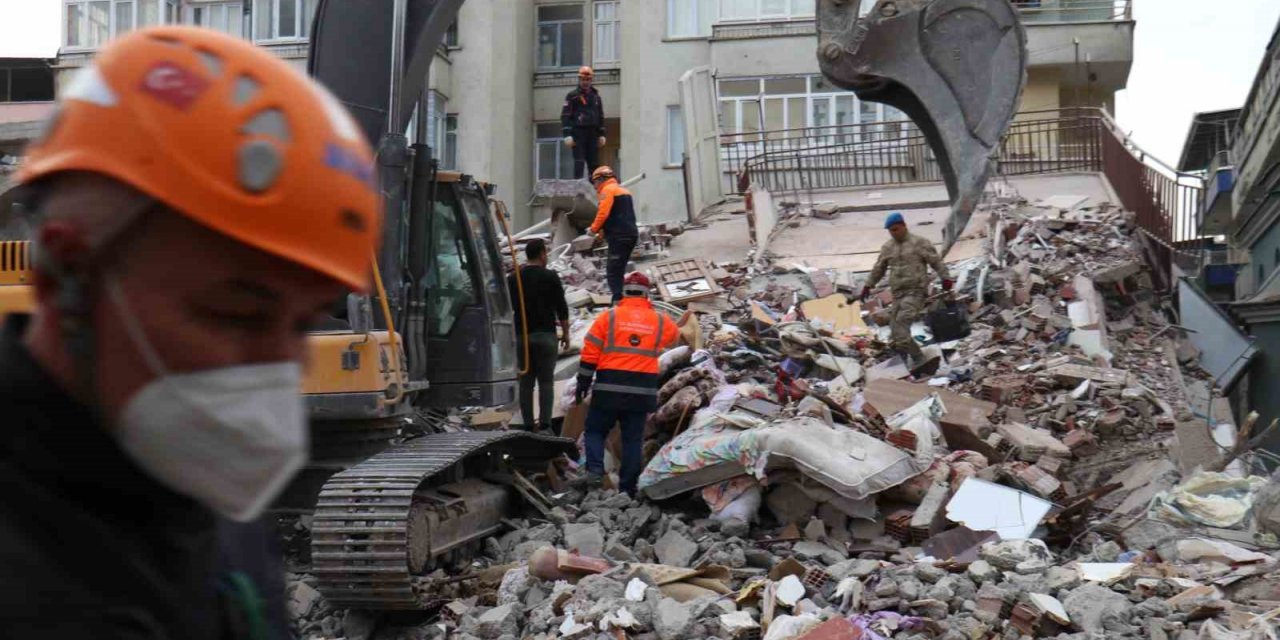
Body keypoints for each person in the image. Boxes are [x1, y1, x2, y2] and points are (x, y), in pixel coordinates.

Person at [0, 27, 380, 639]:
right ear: (66, 273)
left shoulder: (202, 498)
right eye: (236, 314)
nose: (279, 369)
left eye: (304, 324)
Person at [575, 272, 692, 495]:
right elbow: (674, 338)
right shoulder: (660, 321)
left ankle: (594, 476)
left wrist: (583, 380)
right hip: (642, 389)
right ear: (647, 294)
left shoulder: (607, 318)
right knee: (632, 439)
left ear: (624, 291)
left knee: (595, 431)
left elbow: (590, 350)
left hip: (609, 386)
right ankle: (628, 489)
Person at [861, 212, 953, 367]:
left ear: (904, 226)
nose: (893, 233)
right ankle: (902, 360)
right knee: (894, 329)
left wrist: (946, 278)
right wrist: (868, 285)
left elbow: (936, 262)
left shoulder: (920, 243)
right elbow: (879, 268)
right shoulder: (888, 247)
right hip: (898, 294)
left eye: (896, 229)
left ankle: (920, 359)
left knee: (901, 329)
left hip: (915, 292)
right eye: (890, 231)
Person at [507, 238, 571, 433]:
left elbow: (506, 308)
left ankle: (528, 426)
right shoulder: (550, 276)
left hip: (522, 337)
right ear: (542, 254)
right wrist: (566, 333)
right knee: (545, 382)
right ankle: (545, 424)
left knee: (525, 384)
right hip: (546, 337)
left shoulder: (513, 278)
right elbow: (562, 308)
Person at [588, 165, 638, 304]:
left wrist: (593, 230)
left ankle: (618, 302)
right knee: (619, 268)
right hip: (630, 235)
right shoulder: (624, 190)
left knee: (613, 271)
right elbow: (616, 215)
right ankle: (625, 298)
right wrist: (601, 234)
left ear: (602, 179)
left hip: (619, 237)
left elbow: (603, 213)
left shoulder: (607, 190)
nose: (594, 186)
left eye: (595, 182)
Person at [561, 66, 606, 179]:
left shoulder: (596, 96)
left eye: (587, 79)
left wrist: (602, 134)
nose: (585, 82)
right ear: (579, 80)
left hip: (593, 133)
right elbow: (565, 115)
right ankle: (578, 187)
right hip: (578, 132)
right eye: (583, 79)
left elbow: (600, 115)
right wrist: (567, 135)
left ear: (591, 80)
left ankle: (595, 186)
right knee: (579, 161)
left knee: (594, 162)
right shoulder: (572, 96)